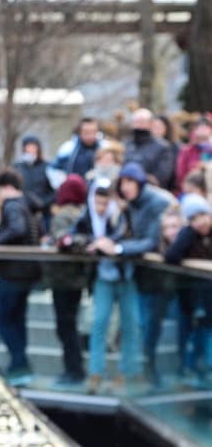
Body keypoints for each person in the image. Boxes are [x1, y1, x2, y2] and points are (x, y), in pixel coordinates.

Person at [89, 162, 174, 386]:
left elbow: (150, 241)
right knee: (105, 324)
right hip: (124, 274)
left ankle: (135, 374)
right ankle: (102, 373)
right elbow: (124, 233)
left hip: (151, 276)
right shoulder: (129, 206)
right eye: (123, 183)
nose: (125, 187)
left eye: (130, 182)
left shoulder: (156, 203)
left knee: (138, 326)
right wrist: (107, 243)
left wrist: (117, 249)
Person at [78, 179, 139, 394]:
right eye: (98, 203)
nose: (101, 208)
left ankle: (126, 373)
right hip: (102, 278)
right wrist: (93, 242)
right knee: (99, 323)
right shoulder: (87, 217)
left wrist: (110, 243)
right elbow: (76, 235)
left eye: (105, 203)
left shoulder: (124, 215)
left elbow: (131, 237)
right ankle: (96, 372)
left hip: (125, 277)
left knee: (129, 325)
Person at [0, 168, 41, 386]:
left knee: (3, 317)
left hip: (13, 272)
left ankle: (20, 364)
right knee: (17, 319)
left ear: (6, 188)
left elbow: (16, 230)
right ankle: (19, 366)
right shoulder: (28, 205)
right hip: (27, 272)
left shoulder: (12, 205)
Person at [46, 174, 89, 386]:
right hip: (77, 279)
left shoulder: (63, 215)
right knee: (70, 324)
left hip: (63, 280)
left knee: (65, 326)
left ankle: (74, 371)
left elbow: (62, 240)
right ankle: (75, 368)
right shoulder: (83, 212)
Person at [165, 195, 212, 383]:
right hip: (190, 298)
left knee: (205, 336)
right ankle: (186, 369)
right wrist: (189, 232)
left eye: (202, 215)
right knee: (186, 335)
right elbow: (171, 256)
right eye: (193, 218)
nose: (200, 221)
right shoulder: (188, 235)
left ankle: (203, 369)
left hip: (208, 301)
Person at [123, 108, 175, 190]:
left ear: (150, 124)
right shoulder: (126, 145)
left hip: (151, 191)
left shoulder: (163, 147)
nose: (138, 126)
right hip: (125, 190)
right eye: (136, 122)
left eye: (142, 122)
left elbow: (161, 176)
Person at [15, 135, 55, 233]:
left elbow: (55, 190)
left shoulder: (48, 167)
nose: (30, 150)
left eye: (33, 147)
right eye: (27, 147)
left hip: (44, 213)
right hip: (23, 211)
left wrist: (44, 202)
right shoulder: (17, 167)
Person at [176, 116, 212, 192]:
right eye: (200, 128)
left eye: (206, 128)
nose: (203, 131)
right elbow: (180, 175)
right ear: (195, 130)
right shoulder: (187, 151)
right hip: (191, 190)